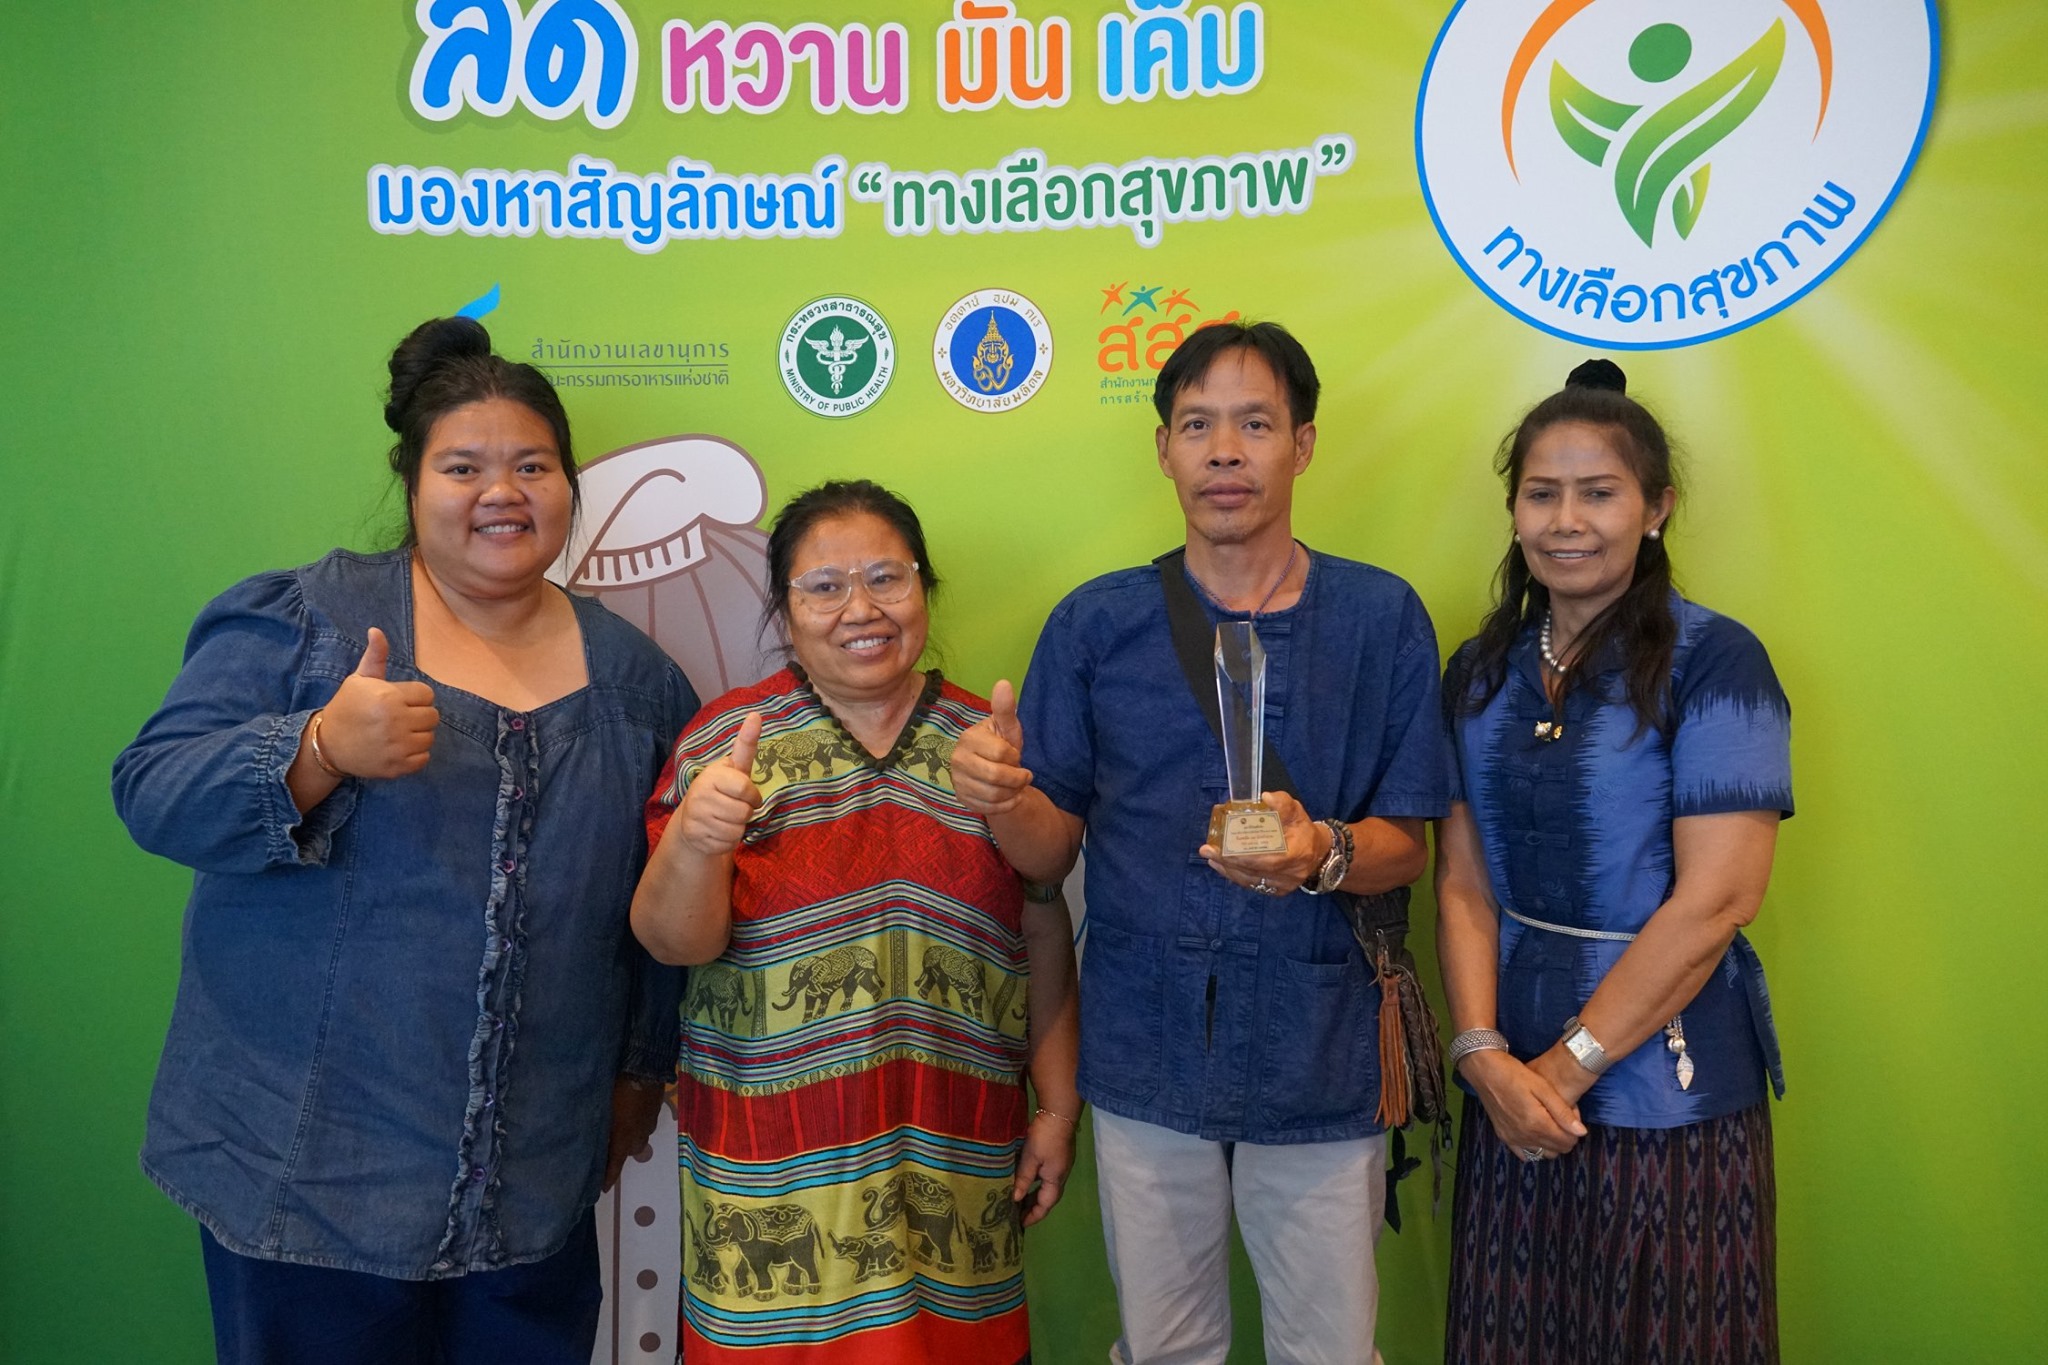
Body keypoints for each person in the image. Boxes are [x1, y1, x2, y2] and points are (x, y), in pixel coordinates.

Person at [111, 317, 698, 1365]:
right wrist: (318, 747)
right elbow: (153, 790)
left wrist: (640, 1071)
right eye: (463, 466)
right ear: (413, 481)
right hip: (304, 1183)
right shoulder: (310, 622)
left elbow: (653, 915)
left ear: (569, 486)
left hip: (532, 1197)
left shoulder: (639, 686)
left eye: (533, 465)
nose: (501, 491)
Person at [951, 321, 1450, 1365]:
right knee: (1164, 1346)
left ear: (1301, 445)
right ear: (1163, 449)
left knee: (1330, 1350)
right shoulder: (1097, 626)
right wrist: (1001, 798)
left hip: (1321, 1047)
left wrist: (1320, 852)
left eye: (1254, 424)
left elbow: (1409, 842)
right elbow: (1046, 856)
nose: (1225, 451)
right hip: (1147, 1046)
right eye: (1197, 426)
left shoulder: (1379, 618)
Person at [631, 480, 1081, 1365]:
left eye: (886, 577)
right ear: (784, 608)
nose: (861, 608)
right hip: (767, 1195)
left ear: (925, 587)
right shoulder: (721, 745)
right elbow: (673, 943)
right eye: (825, 586)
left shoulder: (988, 747)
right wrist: (697, 837)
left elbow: (1042, 926)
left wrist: (1059, 1107)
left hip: (956, 1188)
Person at [1435, 359, 1791, 1364]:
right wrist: (1482, 1058)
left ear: (1656, 509)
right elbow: (1461, 882)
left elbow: (1719, 898)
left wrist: (1562, 1070)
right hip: (1507, 1087)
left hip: (1666, 1094)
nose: (1566, 521)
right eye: (1541, 494)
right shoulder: (1479, 671)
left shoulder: (1716, 661)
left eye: (1598, 493)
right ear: (1512, 512)